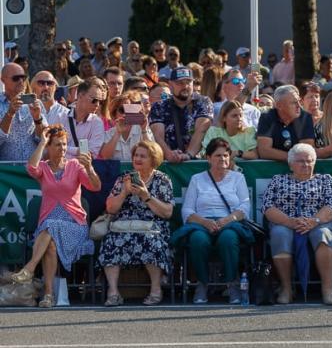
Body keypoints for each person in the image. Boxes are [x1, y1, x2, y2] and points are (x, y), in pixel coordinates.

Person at [10, 126, 101, 307]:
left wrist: (89, 168)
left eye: (65, 144)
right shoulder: (43, 168)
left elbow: (95, 187)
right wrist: (42, 142)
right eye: (58, 145)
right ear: (49, 147)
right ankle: (49, 295)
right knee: (50, 243)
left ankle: (29, 268)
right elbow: (31, 167)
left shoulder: (75, 165)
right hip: (48, 226)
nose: (63, 148)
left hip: (74, 224)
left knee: (49, 226)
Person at [174, 138, 252, 304]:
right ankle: (202, 284)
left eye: (225, 155)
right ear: (208, 158)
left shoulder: (238, 178)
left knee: (228, 239)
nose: (222, 159)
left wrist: (226, 220)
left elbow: (245, 207)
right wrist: (205, 222)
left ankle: (232, 284)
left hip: (229, 222)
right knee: (198, 240)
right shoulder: (197, 179)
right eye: (217, 156)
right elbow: (187, 210)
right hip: (203, 223)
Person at [262, 143, 332, 305]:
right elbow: (268, 207)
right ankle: (286, 288)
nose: (306, 164)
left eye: (309, 161)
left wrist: (314, 221)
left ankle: (327, 289)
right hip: (285, 222)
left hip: (318, 221)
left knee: (323, 235)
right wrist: (289, 222)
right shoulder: (278, 180)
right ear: (291, 164)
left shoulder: (325, 180)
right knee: (279, 234)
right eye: (301, 161)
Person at [99, 141, 174, 307]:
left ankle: (156, 290)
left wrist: (146, 196)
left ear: (153, 159)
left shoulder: (162, 180)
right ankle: (113, 293)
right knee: (111, 239)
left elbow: (167, 212)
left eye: (143, 156)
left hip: (152, 226)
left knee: (152, 241)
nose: (138, 159)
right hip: (124, 225)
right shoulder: (123, 178)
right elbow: (110, 209)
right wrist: (124, 192)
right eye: (136, 155)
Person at [149, 66, 213, 162]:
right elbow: (157, 135)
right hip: (168, 163)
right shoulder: (159, 106)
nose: (185, 86)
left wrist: (188, 155)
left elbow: (201, 130)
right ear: (170, 85)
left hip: (197, 163)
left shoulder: (204, 102)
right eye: (180, 83)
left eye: (188, 82)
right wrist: (170, 155)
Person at [256, 85, 315, 162]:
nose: (299, 106)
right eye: (294, 103)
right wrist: (295, 158)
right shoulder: (267, 117)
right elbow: (264, 151)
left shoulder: (305, 117)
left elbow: (306, 151)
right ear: (279, 105)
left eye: (299, 101)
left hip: (299, 167)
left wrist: (295, 159)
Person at [0, 63, 46, 161]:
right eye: (16, 78)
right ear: (3, 80)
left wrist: (37, 119)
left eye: (23, 77)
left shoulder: (35, 103)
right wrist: (10, 114)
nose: (21, 81)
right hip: (7, 170)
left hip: (33, 169)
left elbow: (43, 139)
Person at [57, 77, 106, 159]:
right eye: (94, 100)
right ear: (80, 96)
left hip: (82, 169)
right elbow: (53, 147)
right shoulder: (61, 117)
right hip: (61, 169)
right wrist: (78, 151)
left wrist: (65, 149)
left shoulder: (97, 123)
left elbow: (91, 153)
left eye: (100, 101)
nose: (97, 104)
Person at [100, 90, 155, 161]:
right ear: (115, 113)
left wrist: (144, 130)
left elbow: (153, 153)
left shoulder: (143, 129)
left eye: (130, 110)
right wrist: (117, 133)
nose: (125, 114)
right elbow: (105, 156)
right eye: (122, 110)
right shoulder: (109, 133)